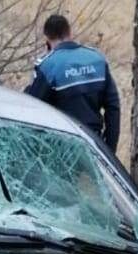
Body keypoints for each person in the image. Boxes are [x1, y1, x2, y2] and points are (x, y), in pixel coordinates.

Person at [26, 15, 121, 153]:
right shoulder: (97, 59)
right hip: (94, 145)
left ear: (47, 39)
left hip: (60, 149)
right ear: (70, 33)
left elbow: (32, 108)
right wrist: (109, 151)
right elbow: (113, 107)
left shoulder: (47, 66)